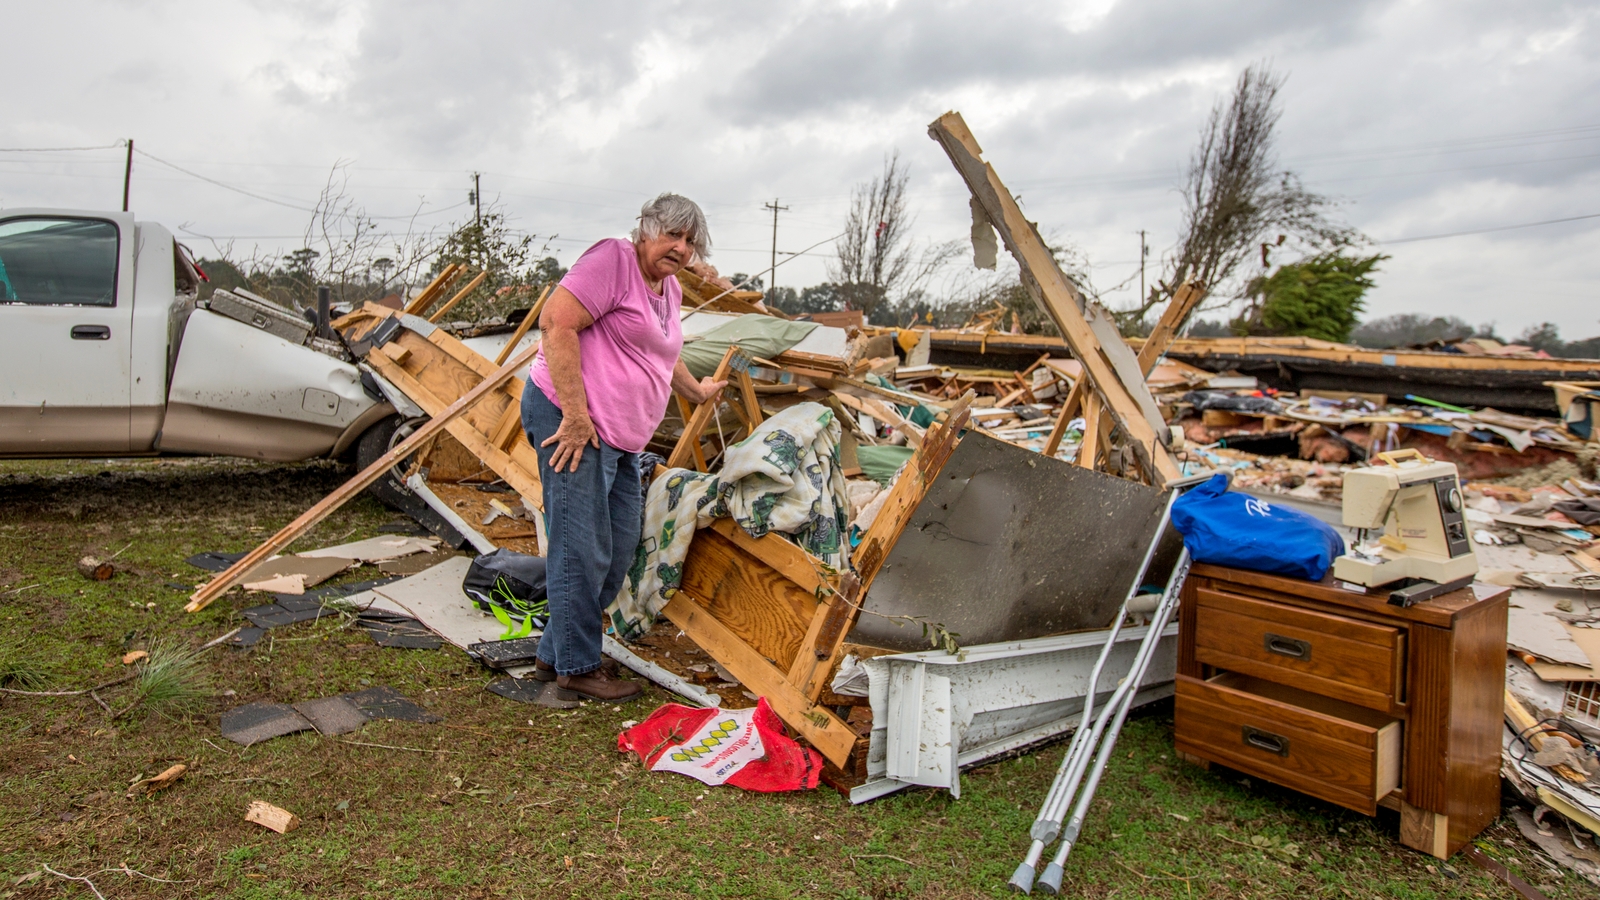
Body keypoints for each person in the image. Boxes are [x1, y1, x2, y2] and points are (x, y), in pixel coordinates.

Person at [522, 193, 726, 702]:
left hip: (620, 440)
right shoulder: (613, 260)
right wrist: (573, 415)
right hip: (573, 423)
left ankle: (555, 655)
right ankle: (578, 667)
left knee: (616, 551)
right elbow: (556, 322)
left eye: (689, 241)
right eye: (671, 235)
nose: (679, 247)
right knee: (580, 547)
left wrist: (695, 391)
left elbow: (661, 351)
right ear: (644, 229)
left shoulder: (669, 289)